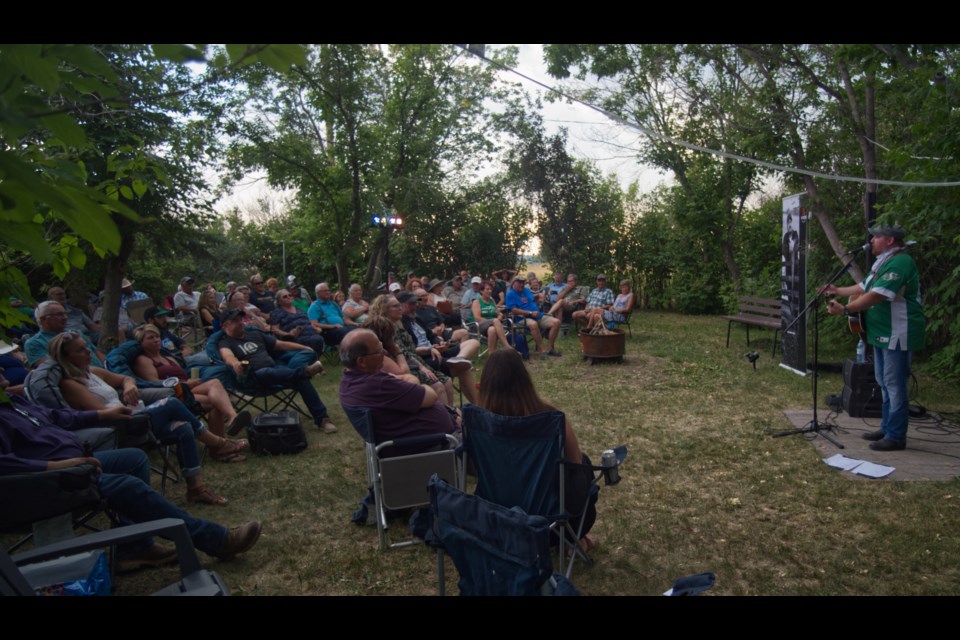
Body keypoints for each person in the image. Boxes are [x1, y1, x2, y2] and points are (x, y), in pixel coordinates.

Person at [0, 368, 262, 568]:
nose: (3, 370)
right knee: (129, 486)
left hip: (77, 460)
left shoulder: (14, 402)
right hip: (47, 480)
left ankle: (135, 546)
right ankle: (217, 541)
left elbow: (58, 417)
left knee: (134, 458)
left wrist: (102, 415)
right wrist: (57, 465)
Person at [47, 332, 241, 504]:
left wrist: (129, 386)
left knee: (182, 427)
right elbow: (106, 416)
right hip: (124, 426)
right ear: (65, 358)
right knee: (171, 403)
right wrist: (128, 408)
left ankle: (196, 489)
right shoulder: (70, 384)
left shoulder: (93, 372)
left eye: (87, 347)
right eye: (80, 351)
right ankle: (218, 443)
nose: (88, 352)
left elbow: (124, 378)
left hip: (140, 417)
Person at [476, 348, 598, 551]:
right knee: (582, 463)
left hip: (498, 523)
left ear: (486, 384)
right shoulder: (551, 418)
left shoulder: (477, 424)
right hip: (550, 526)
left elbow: (473, 469)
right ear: (525, 380)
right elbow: (576, 466)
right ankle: (576, 539)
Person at [825, 223, 925, 452]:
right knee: (883, 382)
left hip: (898, 332)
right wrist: (838, 291)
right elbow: (865, 286)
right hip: (881, 332)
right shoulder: (884, 262)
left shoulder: (900, 262)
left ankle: (896, 436)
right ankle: (888, 427)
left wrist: (846, 310)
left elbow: (878, 295)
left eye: (876, 237)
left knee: (894, 385)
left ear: (890, 240)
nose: (871, 241)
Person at [218, 308, 337, 433]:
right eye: (235, 321)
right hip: (254, 378)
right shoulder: (225, 342)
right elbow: (227, 356)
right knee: (273, 373)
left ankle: (323, 420)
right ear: (225, 325)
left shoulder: (254, 334)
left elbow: (281, 344)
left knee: (300, 380)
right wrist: (236, 363)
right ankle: (305, 371)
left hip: (277, 372)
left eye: (241, 319)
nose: (241, 322)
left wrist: (305, 348)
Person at [339, 329, 459, 450]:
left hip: (419, 441)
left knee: (467, 417)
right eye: (379, 351)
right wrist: (414, 382)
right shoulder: (379, 385)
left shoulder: (351, 381)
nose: (385, 352)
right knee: (475, 428)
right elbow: (431, 396)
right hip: (426, 448)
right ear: (361, 361)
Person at [131, 323, 251, 440]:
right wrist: (184, 384)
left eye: (157, 336)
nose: (156, 340)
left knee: (214, 383)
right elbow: (156, 384)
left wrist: (190, 381)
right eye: (150, 338)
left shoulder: (168, 358)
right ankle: (223, 437)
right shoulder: (143, 360)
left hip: (186, 389)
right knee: (215, 401)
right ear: (141, 342)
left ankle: (230, 422)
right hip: (172, 395)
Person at [366, 294, 454, 406]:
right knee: (438, 386)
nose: (400, 308)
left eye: (399, 305)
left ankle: (453, 416)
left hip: (417, 360)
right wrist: (421, 367)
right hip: (406, 365)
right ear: (385, 309)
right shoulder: (385, 328)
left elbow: (411, 348)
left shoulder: (399, 324)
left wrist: (429, 348)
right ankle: (446, 418)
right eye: (395, 306)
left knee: (447, 381)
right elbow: (402, 352)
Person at [25, 301, 106, 368]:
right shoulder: (34, 343)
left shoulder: (75, 332)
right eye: (59, 314)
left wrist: (107, 367)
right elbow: (51, 368)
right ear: (43, 319)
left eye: (65, 314)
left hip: (106, 374)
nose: (65, 317)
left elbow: (96, 352)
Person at [505, 275, 562, 358]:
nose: (522, 284)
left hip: (537, 315)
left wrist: (539, 296)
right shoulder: (510, 294)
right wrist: (530, 313)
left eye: (523, 283)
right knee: (533, 324)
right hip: (522, 318)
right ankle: (542, 350)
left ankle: (549, 348)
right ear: (514, 283)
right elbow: (513, 310)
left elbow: (530, 300)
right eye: (519, 283)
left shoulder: (526, 291)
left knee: (556, 322)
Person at [142, 306, 211, 368]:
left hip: (187, 356)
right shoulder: (150, 339)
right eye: (160, 317)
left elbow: (178, 341)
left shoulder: (163, 331)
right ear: (150, 321)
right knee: (213, 357)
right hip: (180, 362)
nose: (164, 319)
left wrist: (185, 347)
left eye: (164, 316)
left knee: (213, 350)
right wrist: (181, 355)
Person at [269, 289, 326, 356]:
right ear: (279, 302)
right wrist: (288, 334)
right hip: (295, 338)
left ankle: (312, 360)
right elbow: (274, 330)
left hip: (311, 333)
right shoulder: (277, 312)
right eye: (285, 296)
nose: (288, 297)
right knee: (316, 340)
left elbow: (307, 322)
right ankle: (311, 360)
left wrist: (316, 328)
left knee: (319, 338)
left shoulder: (299, 309)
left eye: (290, 295)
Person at [468, 282, 509, 352]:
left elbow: (499, 314)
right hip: (478, 325)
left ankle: (491, 355)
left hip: (491, 326)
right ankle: (507, 346)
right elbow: (477, 318)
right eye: (487, 289)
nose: (490, 291)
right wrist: (492, 321)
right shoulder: (477, 302)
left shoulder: (492, 301)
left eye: (491, 289)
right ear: (481, 291)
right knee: (495, 321)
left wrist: (499, 317)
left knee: (492, 330)